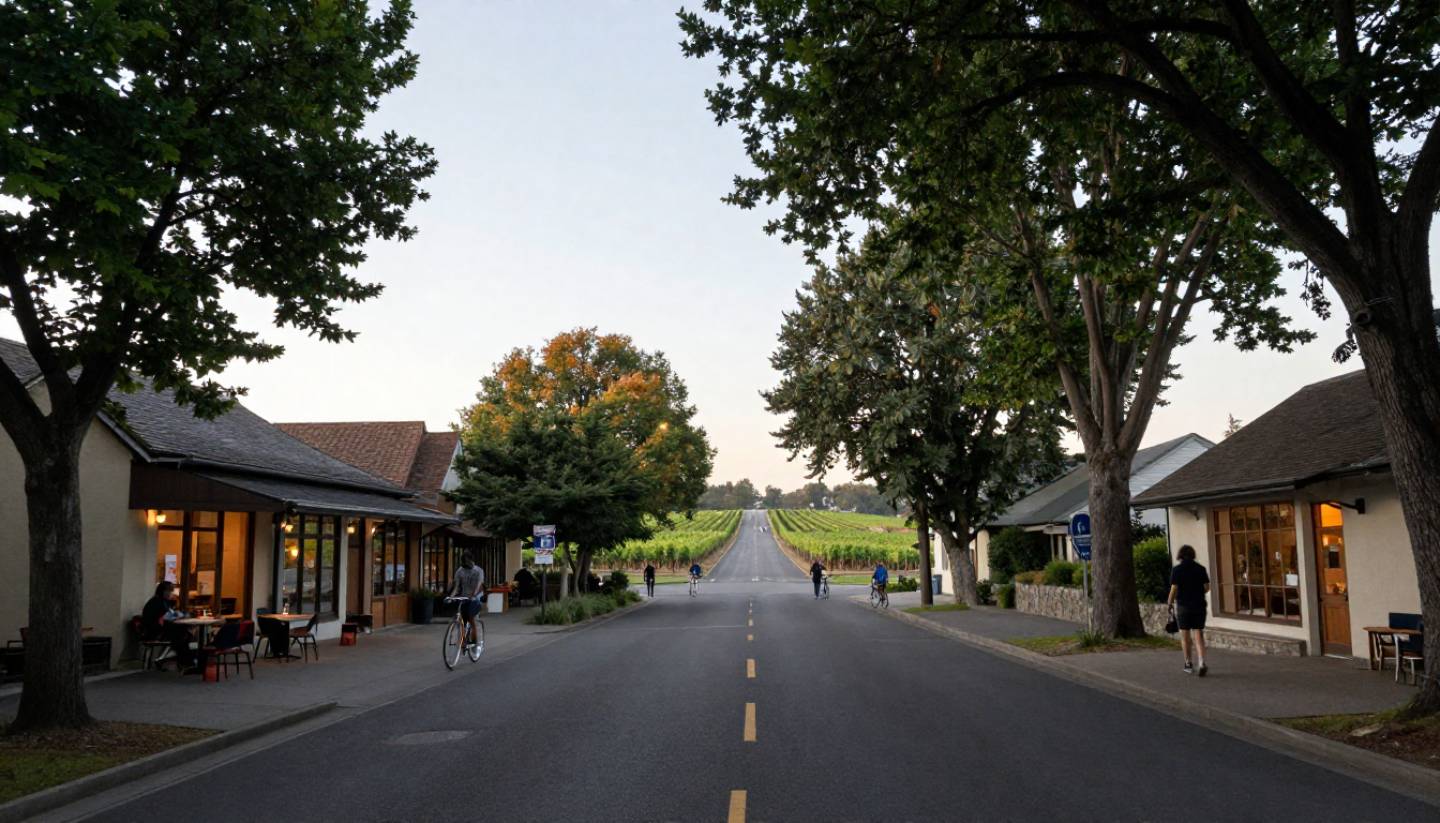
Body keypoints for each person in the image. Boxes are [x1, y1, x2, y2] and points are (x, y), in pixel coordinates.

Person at [1167, 544, 1211, 676]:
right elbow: (1207, 587)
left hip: (1183, 606)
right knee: (1198, 634)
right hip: (1199, 605)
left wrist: (1169, 603)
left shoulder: (1177, 570)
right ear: (1193, 555)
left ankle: (1188, 663)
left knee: (1185, 636)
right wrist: (1197, 592)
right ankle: (1202, 662)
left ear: (1180, 555)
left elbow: (1174, 589)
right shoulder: (1200, 569)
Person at [142, 581, 197, 673]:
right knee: (182, 636)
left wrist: (182, 615)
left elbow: (171, 614)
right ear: (162, 591)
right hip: (155, 632)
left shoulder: (162, 601)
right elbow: (168, 616)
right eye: (168, 591)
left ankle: (186, 661)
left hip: (161, 630)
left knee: (185, 635)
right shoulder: (157, 602)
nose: (170, 593)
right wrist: (182, 615)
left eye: (171, 591)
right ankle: (186, 662)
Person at [451, 553, 486, 650]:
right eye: (463, 562)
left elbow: (479, 585)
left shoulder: (478, 571)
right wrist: (451, 597)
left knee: (471, 618)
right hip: (464, 597)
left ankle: (476, 642)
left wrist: (473, 595)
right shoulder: (460, 571)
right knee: (462, 618)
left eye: (466, 562)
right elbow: (457, 586)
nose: (464, 564)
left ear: (471, 560)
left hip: (475, 597)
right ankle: (463, 640)